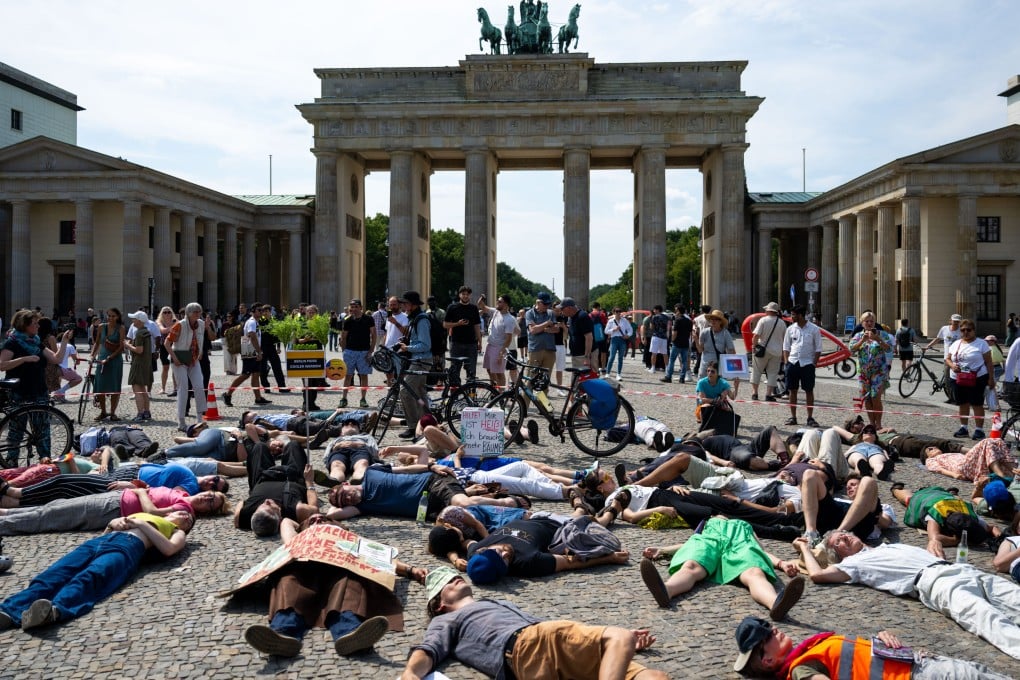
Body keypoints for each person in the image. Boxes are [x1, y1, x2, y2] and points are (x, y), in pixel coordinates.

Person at [402, 567, 668, 680]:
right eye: (447, 583)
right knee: (619, 637)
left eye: (454, 575)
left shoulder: (491, 603)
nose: (455, 578)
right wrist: (411, 674)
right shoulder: (447, 619)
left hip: (545, 655)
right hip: (529, 644)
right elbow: (428, 650)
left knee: (655, 677)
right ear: (439, 604)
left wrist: (617, 652)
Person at [795, 529, 1020, 660]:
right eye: (839, 542)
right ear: (839, 554)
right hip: (936, 583)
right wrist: (805, 549)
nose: (845, 537)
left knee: (1015, 596)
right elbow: (817, 575)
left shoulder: (887, 545)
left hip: (961, 569)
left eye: (844, 534)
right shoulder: (853, 564)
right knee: (988, 619)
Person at [241, 516, 423, 658]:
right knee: (287, 579)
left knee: (351, 581)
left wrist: (410, 570)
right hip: (305, 569)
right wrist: (307, 524)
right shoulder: (300, 536)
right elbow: (286, 524)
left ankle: (349, 631)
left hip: (340, 568)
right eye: (312, 520)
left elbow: (379, 558)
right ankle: (282, 632)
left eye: (323, 519)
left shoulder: (350, 538)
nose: (318, 520)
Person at [0, 510, 193, 631]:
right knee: (54, 574)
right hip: (99, 542)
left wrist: (140, 524)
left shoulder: (177, 531)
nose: (186, 515)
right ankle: (9, 611)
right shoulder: (148, 514)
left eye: (189, 519)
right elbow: (109, 530)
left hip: (127, 548)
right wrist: (111, 524)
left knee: (91, 577)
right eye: (183, 512)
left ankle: (54, 611)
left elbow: (168, 549)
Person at [731, 616, 1013, 679]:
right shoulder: (799, 670)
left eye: (767, 626)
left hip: (924, 664)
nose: (773, 630)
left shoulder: (808, 650)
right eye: (764, 637)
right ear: (767, 661)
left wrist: (879, 639)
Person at [639, 517, 805, 620]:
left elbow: (759, 551)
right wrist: (663, 550)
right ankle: (665, 590)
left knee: (754, 572)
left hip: (739, 543)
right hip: (711, 541)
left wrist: (781, 563)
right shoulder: (708, 522)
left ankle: (775, 604)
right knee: (691, 565)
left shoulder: (745, 526)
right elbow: (692, 542)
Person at [324, 463, 525, 522]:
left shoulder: (372, 472)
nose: (348, 498)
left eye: (345, 493)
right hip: (431, 511)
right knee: (471, 518)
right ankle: (503, 506)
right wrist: (334, 500)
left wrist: (431, 466)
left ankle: (511, 503)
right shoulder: (362, 506)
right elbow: (331, 515)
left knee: (464, 504)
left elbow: (404, 469)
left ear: (348, 483)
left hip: (431, 483)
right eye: (344, 501)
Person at [0, 310, 74, 465]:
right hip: (19, 391)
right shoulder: (12, 342)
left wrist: (65, 340)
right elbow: (2, 365)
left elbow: (56, 359)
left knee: (42, 429)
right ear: (24, 325)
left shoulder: (36, 341)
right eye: (34, 323)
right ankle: (11, 462)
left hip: (39, 389)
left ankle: (45, 460)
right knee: (16, 430)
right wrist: (23, 359)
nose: (38, 325)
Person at [234, 439, 319, 535]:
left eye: (260, 507)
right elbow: (314, 509)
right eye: (269, 506)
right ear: (280, 518)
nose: (267, 501)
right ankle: (281, 448)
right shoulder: (297, 510)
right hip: (293, 477)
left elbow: (240, 507)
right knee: (293, 445)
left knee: (259, 446)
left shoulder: (244, 516)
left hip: (263, 477)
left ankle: (274, 447)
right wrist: (309, 481)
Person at [892, 484, 998, 559]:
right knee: (908, 498)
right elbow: (935, 537)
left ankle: (952, 493)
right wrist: (959, 540)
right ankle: (896, 490)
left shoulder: (971, 516)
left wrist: (1001, 538)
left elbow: (992, 528)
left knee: (957, 499)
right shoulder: (936, 514)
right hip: (924, 497)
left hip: (948, 498)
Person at [945, 319, 994, 439]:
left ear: (974, 331)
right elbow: (948, 359)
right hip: (958, 378)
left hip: (977, 378)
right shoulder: (956, 343)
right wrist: (952, 366)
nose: (965, 332)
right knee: (962, 403)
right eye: (962, 330)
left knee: (977, 404)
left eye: (968, 330)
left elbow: (989, 362)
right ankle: (964, 428)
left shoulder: (981, 344)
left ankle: (979, 430)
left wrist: (991, 379)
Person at [394, 291, 432, 439]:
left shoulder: (421, 320)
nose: (403, 306)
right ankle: (428, 424)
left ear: (413, 305)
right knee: (420, 394)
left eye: (405, 303)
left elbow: (425, 345)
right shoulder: (414, 318)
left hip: (421, 360)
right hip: (418, 359)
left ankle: (413, 426)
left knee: (405, 391)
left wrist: (407, 348)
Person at [848, 311, 893, 428]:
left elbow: (889, 349)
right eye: (866, 321)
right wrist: (861, 341)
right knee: (867, 398)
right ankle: (872, 423)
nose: (869, 323)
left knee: (875, 397)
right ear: (862, 323)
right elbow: (851, 349)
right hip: (863, 373)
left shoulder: (882, 334)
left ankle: (878, 423)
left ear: (874, 322)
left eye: (871, 321)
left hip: (879, 372)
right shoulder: (858, 336)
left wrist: (878, 339)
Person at [224, 302, 270, 410]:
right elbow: (252, 336)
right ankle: (228, 394)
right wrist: (259, 352)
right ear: (253, 311)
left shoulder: (256, 322)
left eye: (262, 310)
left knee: (256, 374)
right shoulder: (252, 322)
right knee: (245, 374)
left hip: (251, 348)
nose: (261, 312)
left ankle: (258, 398)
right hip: (249, 349)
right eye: (259, 310)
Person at [782, 304, 821, 427]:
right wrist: (786, 362)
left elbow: (818, 348)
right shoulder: (790, 329)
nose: (791, 317)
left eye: (793, 314)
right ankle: (793, 417)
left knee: (809, 390)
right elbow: (786, 346)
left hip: (807, 363)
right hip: (793, 362)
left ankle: (810, 417)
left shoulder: (814, 329)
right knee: (792, 390)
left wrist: (814, 364)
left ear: (800, 315)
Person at [922, 436, 1015, 483]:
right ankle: (1001, 475)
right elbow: (938, 469)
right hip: (961, 466)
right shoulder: (931, 460)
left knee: (999, 441)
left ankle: (1014, 471)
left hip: (968, 462)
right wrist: (954, 475)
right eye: (930, 449)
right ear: (927, 456)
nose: (934, 448)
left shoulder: (948, 454)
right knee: (987, 441)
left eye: (934, 447)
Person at [92, 307, 126, 422]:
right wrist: (92, 356)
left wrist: (110, 357)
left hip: (115, 360)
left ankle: (112, 413)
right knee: (100, 386)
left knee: (114, 387)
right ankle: (103, 411)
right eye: (109, 315)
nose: (111, 318)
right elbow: (97, 343)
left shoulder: (121, 328)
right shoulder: (101, 327)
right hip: (102, 359)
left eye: (113, 316)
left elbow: (121, 347)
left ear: (118, 317)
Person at [444, 285, 481, 387]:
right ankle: (454, 398)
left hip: (471, 344)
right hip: (456, 344)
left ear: (470, 295)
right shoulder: (452, 307)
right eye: (463, 294)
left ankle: (471, 397)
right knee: (455, 371)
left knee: (471, 372)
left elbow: (477, 326)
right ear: (459, 295)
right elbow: (445, 324)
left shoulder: (474, 308)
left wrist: (480, 342)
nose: (465, 296)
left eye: (467, 294)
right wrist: (457, 324)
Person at [750, 302, 786, 401]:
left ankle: (755, 393)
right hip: (777, 351)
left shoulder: (763, 320)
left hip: (762, 350)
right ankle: (768, 394)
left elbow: (756, 335)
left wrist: (754, 346)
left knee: (756, 371)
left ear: (768, 311)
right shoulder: (782, 322)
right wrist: (783, 352)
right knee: (773, 373)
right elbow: (784, 339)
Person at [478, 294, 516, 387]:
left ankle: (501, 394)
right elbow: (481, 305)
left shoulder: (510, 319)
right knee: (489, 369)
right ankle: (494, 390)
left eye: (500, 302)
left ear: (506, 304)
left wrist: (501, 353)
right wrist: (482, 298)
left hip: (499, 348)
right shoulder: (496, 312)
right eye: (497, 301)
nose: (497, 303)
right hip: (490, 345)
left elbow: (509, 338)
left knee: (499, 373)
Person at [125, 311, 154, 421]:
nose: (132, 321)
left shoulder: (139, 333)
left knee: (137, 389)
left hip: (138, 363)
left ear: (140, 321)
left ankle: (140, 413)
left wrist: (127, 345)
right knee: (143, 389)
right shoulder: (146, 331)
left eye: (134, 319)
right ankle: (147, 412)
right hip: (146, 363)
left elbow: (139, 350)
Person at [696, 308, 735, 381]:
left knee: (718, 388)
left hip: (718, 365)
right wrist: (695, 339)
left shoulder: (725, 333)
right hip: (705, 364)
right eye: (712, 319)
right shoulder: (704, 332)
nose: (713, 321)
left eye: (716, 319)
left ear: (720, 321)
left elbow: (731, 350)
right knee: (701, 385)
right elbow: (700, 350)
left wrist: (733, 368)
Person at [560, 296, 595, 370]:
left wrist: (587, 357)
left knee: (587, 380)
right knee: (577, 379)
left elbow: (589, 337)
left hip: (584, 356)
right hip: (577, 355)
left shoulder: (582, 316)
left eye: (562, 309)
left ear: (569, 308)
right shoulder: (571, 318)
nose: (561, 311)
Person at [661, 305, 691, 384]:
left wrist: (672, 340)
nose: (675, 312)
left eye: (676, 310)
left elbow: (675, 333)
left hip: (677, 343)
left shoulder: (678, 320)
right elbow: (690, 333)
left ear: (678, 311)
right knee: (684, 361)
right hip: (685, 343)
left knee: (672, 360)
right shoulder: (689, 321)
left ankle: (668, 376)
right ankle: (682, 378)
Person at [605, 307, 634, 381]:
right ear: (614, 312)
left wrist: (628, 335)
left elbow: (630, 329)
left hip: (622, 339)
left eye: (619, 311)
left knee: (620, 358)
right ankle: (607, 373)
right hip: (614, 339)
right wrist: (613, 330)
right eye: (617, 311)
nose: (618, 313)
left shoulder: (624, 320)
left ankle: (619, 374)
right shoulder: (611, 321)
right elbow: (606, 331)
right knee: (612, 357)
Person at [646, 305, 669, 374]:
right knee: (665, 353)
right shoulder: (666, 317)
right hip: (664, 337)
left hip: (656, 336)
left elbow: (651, 327)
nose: (653, 311)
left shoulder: (654, 317)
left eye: (654, 310)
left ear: (657, 310)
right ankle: (667, 368)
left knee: (654, 353)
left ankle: (653, 368)